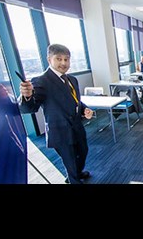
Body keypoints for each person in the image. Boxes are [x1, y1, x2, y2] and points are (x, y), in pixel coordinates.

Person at [19, 44, 95, 184]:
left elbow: (76, 101)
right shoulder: (41, 81)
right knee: (70, 161)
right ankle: (74, 179)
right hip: (60, 130)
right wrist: (27, 96)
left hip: (77, 126)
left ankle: (76, 174)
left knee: (83, 153)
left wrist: (85, 109)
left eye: (66, 59)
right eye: (59, 59)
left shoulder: (72, 79)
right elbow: (29, 108)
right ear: (49, 60)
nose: (63, 63)